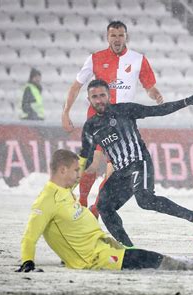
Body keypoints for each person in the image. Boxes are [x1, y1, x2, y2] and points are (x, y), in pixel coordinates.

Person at [17, 149, 193, 273]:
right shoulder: (46, 201)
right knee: (147, 259)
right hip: (93, 259)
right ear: (62, 171)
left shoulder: (63, 188)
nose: (78, 175)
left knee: (145, 258)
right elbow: (29, 236)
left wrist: (87, 148)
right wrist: (28, 263)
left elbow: (81, 165)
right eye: (74, 171)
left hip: (103, 246)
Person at [79, 79, 193, 248]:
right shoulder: (90, 127)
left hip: (139, 163)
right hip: (120, 173)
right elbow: (85, 157)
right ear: (89, 99)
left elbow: (158, 110)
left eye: (102, 95)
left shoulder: (125, 109)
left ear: (109, 95)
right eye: (94, 97)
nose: (99, 100)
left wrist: (188, 101)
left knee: (145, 200)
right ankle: (129, 249)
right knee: (103, 207)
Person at [62, 20, 164, 211]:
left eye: (120, 35)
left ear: (126, 36)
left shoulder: (138, 59)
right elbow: (76, 86)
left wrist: (155, 94)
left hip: (123, 124)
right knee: (92, 165)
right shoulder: (95, 58)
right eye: (113, 35)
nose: (117, 39)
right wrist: (66, 112)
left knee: (114, 172)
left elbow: (149, 86)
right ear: (107, 37)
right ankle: (82, 202)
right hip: (99, 120)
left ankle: (96, 210)